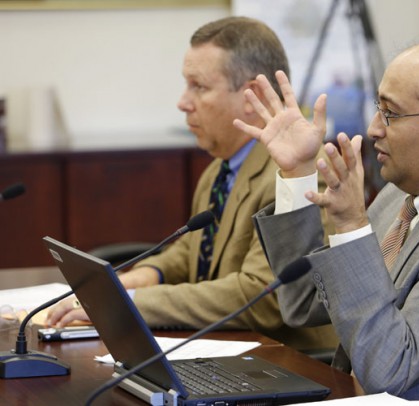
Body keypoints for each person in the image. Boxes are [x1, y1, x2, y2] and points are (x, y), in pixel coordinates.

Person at [234, 40, 419, 405]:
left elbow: (388, 371)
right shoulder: (402, 195)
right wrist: (298, 171)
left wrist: (350, 225)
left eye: (390, 114)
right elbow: (304, 301)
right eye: (378, 107)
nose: (374, 127)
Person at [46, 16, 338, 352]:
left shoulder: (298, 173)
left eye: (198, 87)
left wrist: (135, 301)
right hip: (228, 349)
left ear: (251, 96)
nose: (183, 102)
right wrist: (146, 274)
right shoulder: (220, 168)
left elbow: (262, 295)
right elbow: (193, 249)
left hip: (291, 362)